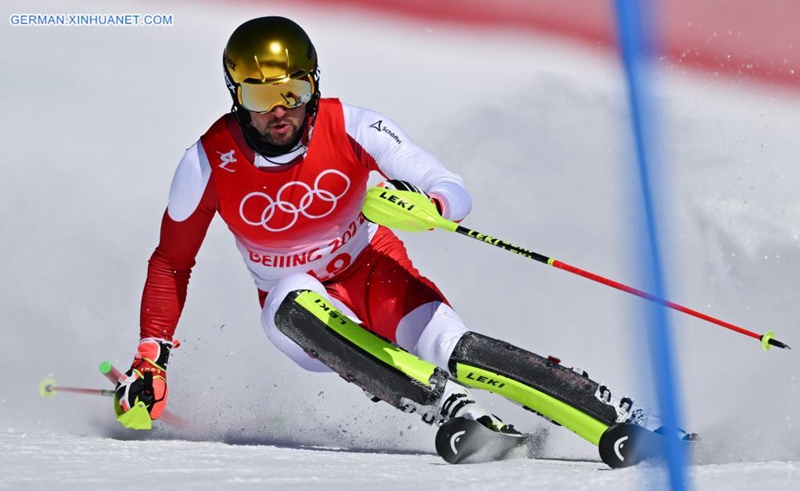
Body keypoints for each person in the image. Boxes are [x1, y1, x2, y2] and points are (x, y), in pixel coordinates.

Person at [114, 16, 667, 462]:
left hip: (373, 267)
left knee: (455, 347)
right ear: (235, 94)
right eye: (260, 97)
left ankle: (614, 417)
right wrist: (150, 358)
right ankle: (445, 405)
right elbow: (171, 262)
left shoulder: (353, 126)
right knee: (292, 301)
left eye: (291, 90)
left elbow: (448, 185)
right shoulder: (207, 160)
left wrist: (428, 205)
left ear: (314, 83)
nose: (279, 110)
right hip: (297, 305)